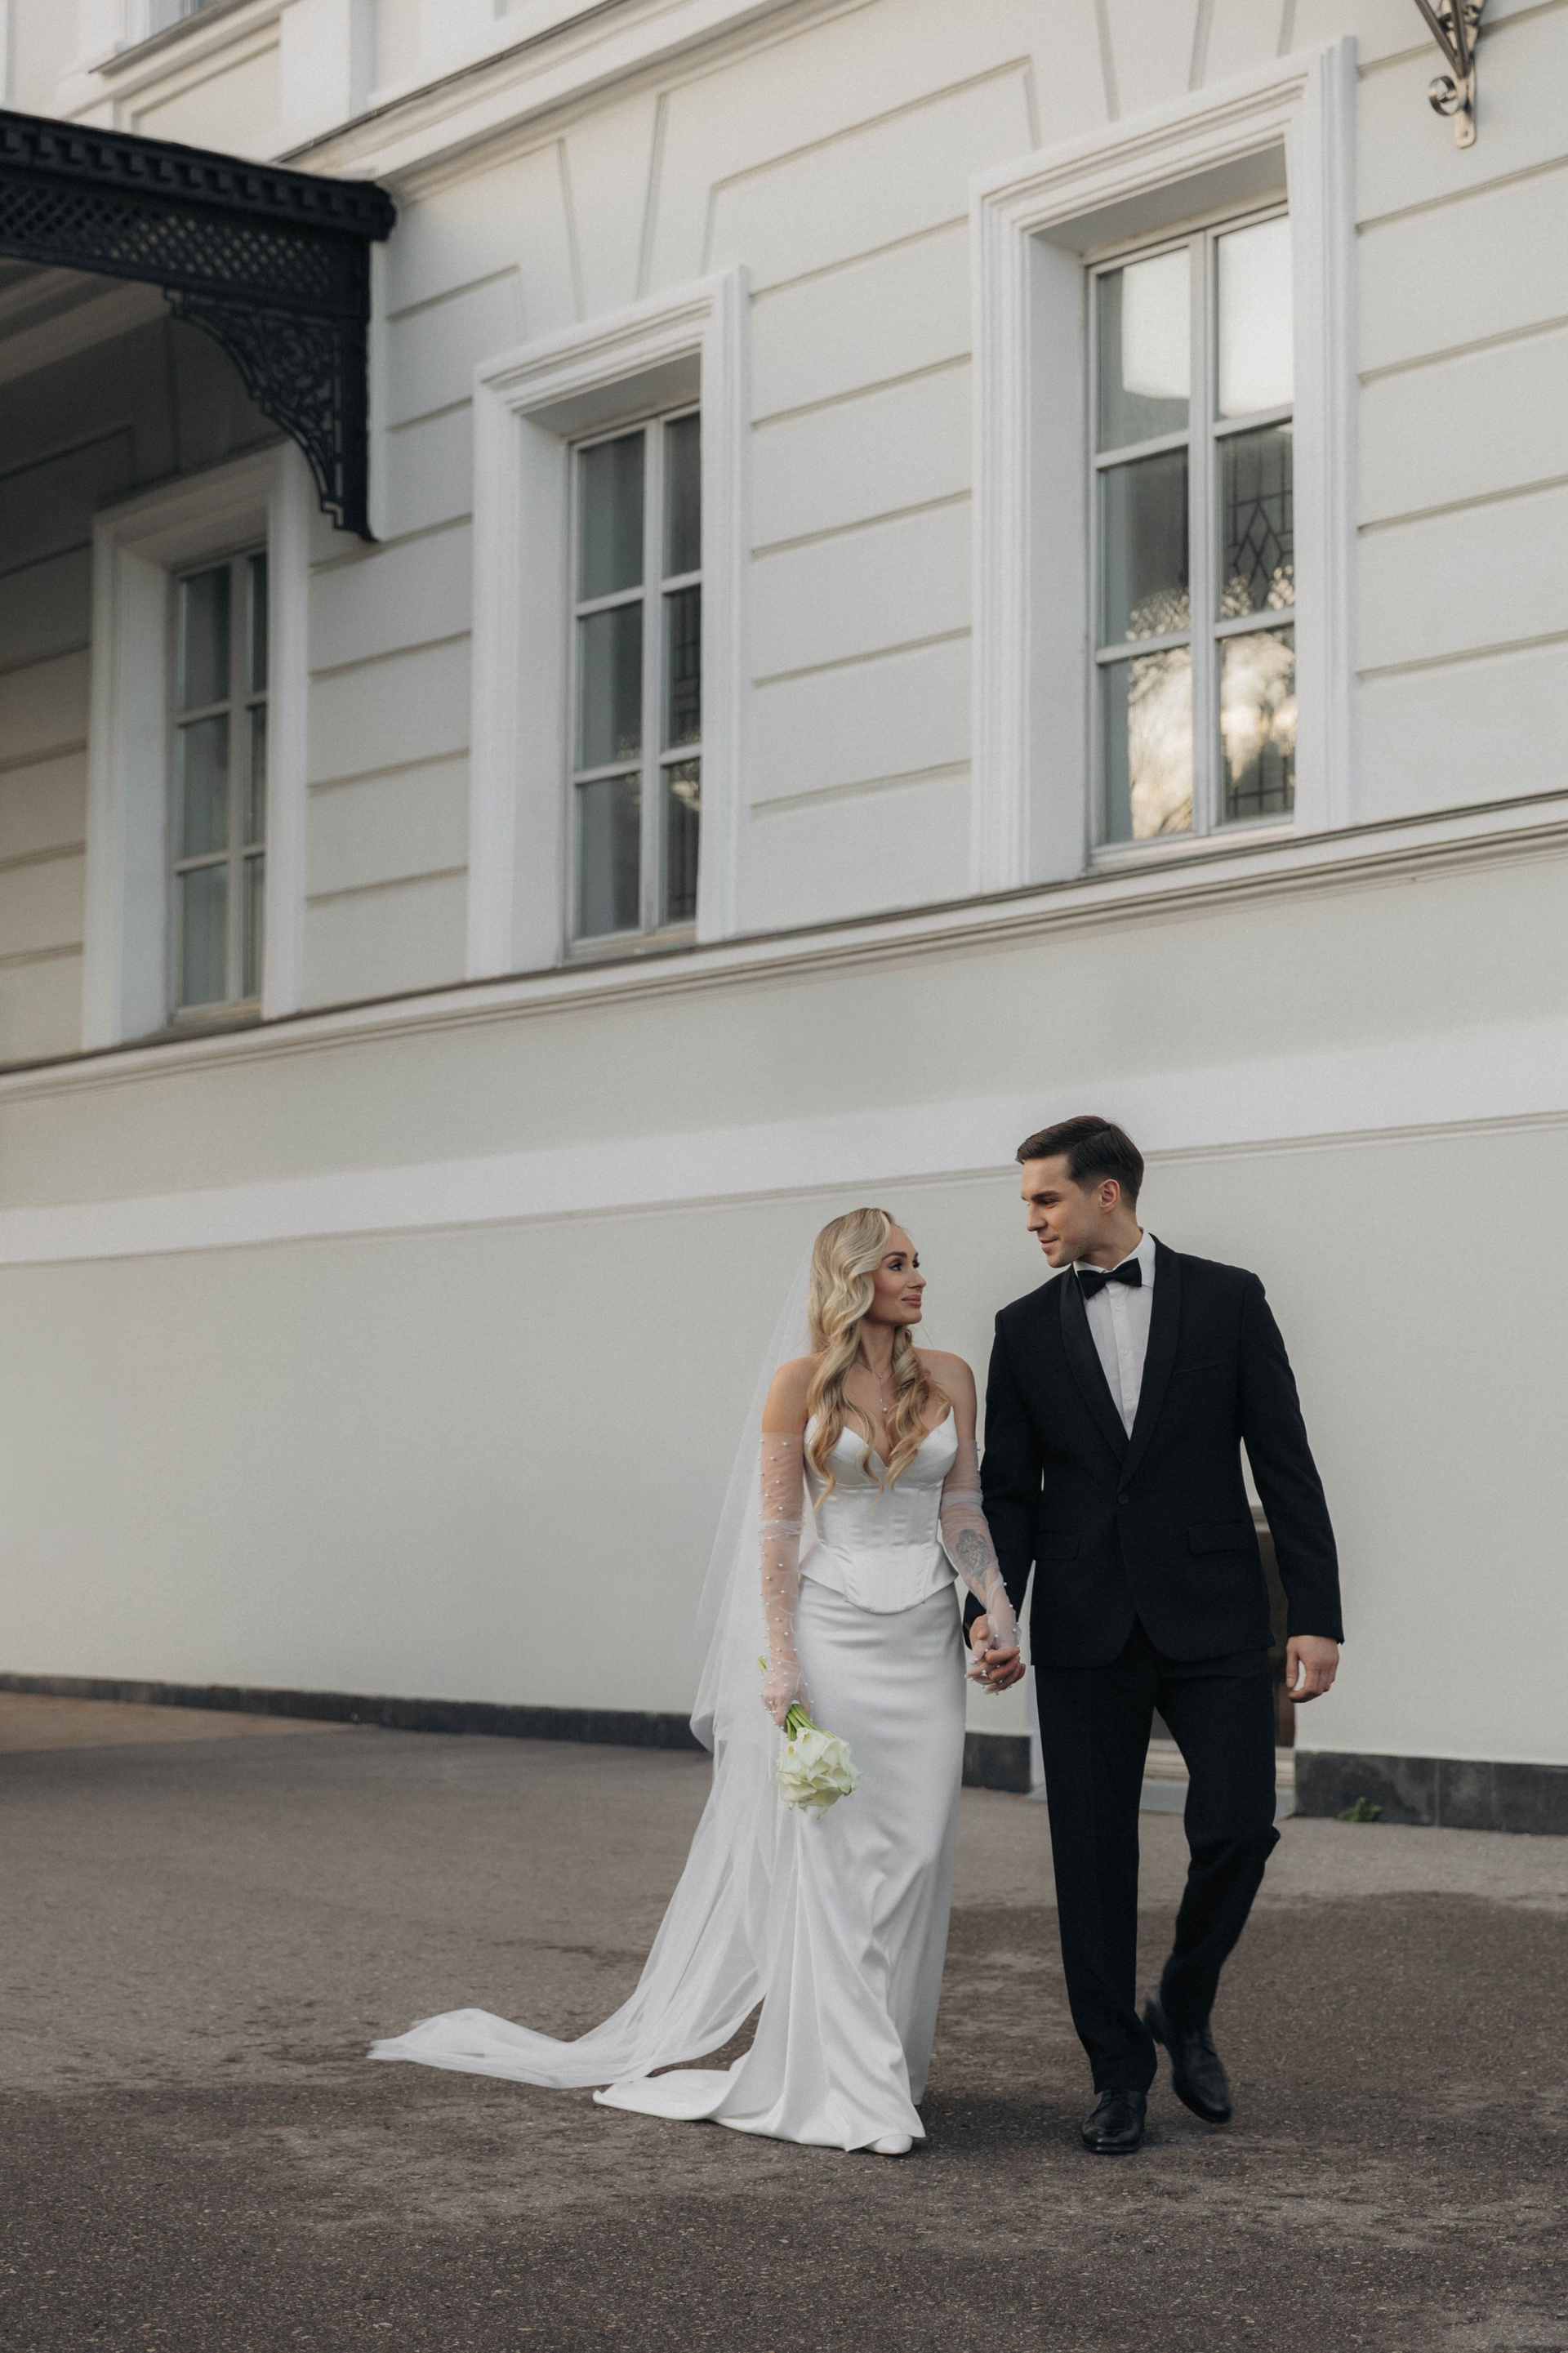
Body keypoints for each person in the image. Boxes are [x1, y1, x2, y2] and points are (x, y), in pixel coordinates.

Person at [372, 1208, 1020, 2157]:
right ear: (852, 1278)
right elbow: (778, 1536)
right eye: (897, 1263)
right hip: (832, 1633)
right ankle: (860, 2089)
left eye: (920, 1260)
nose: (919, 1275)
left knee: (918, 1858)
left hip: (923, 1638)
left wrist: (997, 1605)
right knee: (836, 1863)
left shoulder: (953, 1376)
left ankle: (886, 2061)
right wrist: (782, 1660)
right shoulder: (798, 1384)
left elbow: (961, 1505)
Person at [967, 1116, 1342, 2155]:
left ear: (1109, 1193)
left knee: (1240, 1823)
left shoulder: (1229, 1297)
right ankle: (1117, 2073)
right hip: (1084, 1621)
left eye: (1045, 1197)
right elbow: (1009, 1493)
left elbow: (1285, 1458)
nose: (1032, 1220)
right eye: (1028, 1202)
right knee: (1090, 1858)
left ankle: (1184, 1997)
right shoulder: (1021, 1327)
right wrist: (993, 1609)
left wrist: (1315, 1612)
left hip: (1214, 1613)